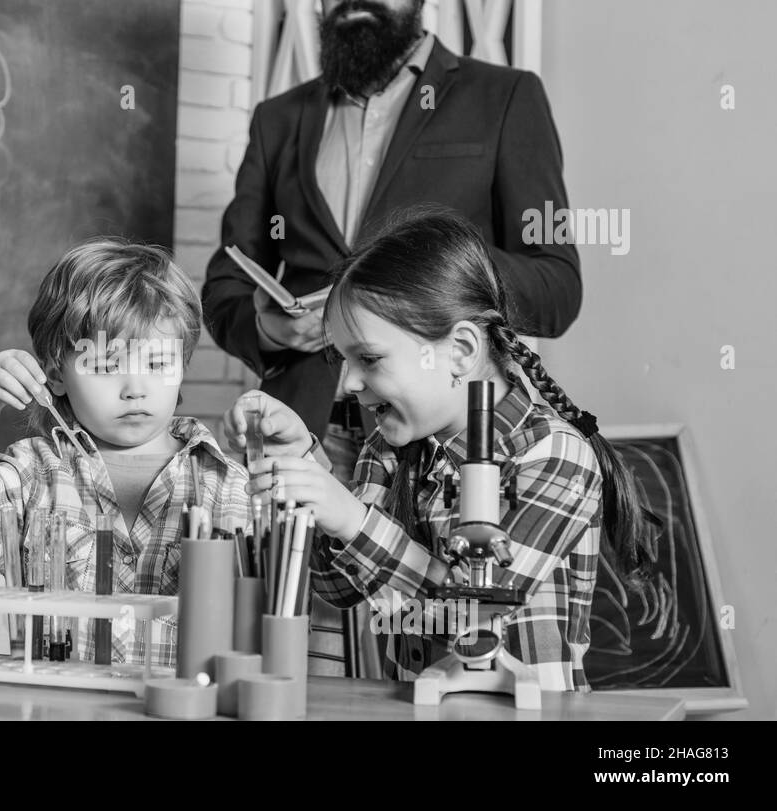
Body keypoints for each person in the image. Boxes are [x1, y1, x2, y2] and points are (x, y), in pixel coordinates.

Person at [202, 0, 581, 674]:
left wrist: (418, 281)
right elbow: (225, 286)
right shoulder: (278, 118)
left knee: (447, 640)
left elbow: (557, 283)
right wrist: (273, 323)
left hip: (453, 429)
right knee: (312, 667)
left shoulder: (506, 96)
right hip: (318, 426)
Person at [225, 210, 652, 690]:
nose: (349, 384)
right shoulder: (387, 448)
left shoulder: (553, 457)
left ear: (461, 351)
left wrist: (350, 516)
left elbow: (473, 611)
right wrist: (306, 467)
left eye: (368, 358)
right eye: (341, 360)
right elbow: (337, 586)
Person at [0, 238, 248, 665]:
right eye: (106, 365)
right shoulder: (35, 470)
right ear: (57, 375)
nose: (136, 388)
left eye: (157, 365)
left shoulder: (223, 481)